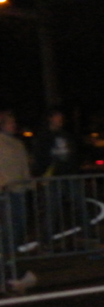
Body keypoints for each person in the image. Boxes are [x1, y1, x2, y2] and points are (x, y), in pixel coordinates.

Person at [32, 107, 89, 246]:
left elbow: (74, 153)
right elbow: (40, 157)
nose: (60, 120)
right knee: (52, 209)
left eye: (61, 117)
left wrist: (75, 168)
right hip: (53, 178)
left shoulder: (67, 135)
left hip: (70, 176)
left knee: (81, 205)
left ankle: (87, 234)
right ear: (50, 118)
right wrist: (41, 173)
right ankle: (46, 241)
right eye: (57, 117)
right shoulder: (44, 137)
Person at [0, 109, 36, 292]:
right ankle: (8, 270)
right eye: (10, 123)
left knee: (19, 228)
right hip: (6, 192)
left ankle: (11, 266)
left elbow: (24, 165)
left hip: (20, 190)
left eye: (14, 123)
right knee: (8, 231)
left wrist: (29, 182)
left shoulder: (18, 143)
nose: (13, 126)